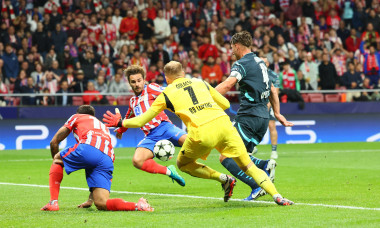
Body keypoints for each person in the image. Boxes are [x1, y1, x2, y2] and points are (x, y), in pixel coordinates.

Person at [104, 61, 293, 206]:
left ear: (166, 78)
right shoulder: (199, 81)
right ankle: (277, 196)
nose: (137, 84)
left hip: (197, 131)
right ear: (184, 73)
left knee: (183, 163)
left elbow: (140, 120)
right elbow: (226, 104)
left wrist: (120, 123)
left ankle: (220, 177)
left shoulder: (164, 91)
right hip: (224, 125)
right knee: (248, 165)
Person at [214, 31, 294, 201]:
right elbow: (272, 90)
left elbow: (228, 84)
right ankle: (265, 165)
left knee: (226, 156)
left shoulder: (240, 64)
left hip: (248, 117)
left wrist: (205, 96)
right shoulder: (261, 62)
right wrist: (277, 113)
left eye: (231, 47)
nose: (231, 51)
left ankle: (256, 185)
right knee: (244, 157)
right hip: (263, 118)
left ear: (237, 46)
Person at [41, 105, 153, 211]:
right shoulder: (102, 126)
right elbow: (92, 161)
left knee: (57, 159)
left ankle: (53, 202)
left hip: (90, 147)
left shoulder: (76, 117)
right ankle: (138, 206)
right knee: (101, 203)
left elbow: (54, 142)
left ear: (79, 113)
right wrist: (90, 200)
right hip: (108, 157)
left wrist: (57, 164)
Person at [114, 65, 186, 187]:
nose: (137, 84)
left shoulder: (152, 88)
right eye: (133, 82)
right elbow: (129, 117)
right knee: (137, 161)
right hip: (150, 136)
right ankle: (169, 171)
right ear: (129, 83)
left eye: (139, 80)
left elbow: (169, 92)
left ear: (144, 80)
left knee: (192, 142)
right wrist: (121, 129)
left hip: (165, 128)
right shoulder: (133, 102)